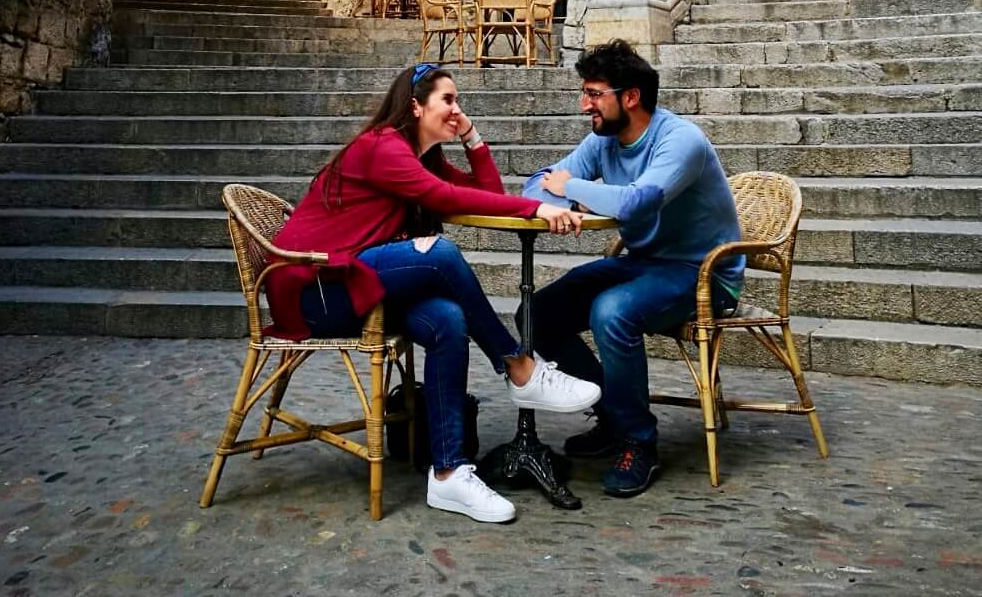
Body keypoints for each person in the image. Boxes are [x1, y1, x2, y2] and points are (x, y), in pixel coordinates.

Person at [267, 62, 601, 524]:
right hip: (318, 290)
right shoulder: (383, 147)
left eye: (458, 101)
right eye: (448, 100)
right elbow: (447, 200)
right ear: (415, 105)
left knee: (448, 320)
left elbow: (484, 193)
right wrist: (539, 206)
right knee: (440, 255)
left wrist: (472, 137)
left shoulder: (420, 156)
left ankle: (448, 475)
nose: (456, 109)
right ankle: (519, 366)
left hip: (358, 283)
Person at [522, 39, 743, 498]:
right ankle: (611, 413)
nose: (585, 105)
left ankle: (637, 441)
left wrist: (575, 188)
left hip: (701, 272)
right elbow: (534, 187)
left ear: (631, 96)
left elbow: (639, 202)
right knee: (535, 313)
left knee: (611, 310)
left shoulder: (681, 141)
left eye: (594, 93)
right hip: (643, 264)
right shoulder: (602, 140)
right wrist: (558, 197)